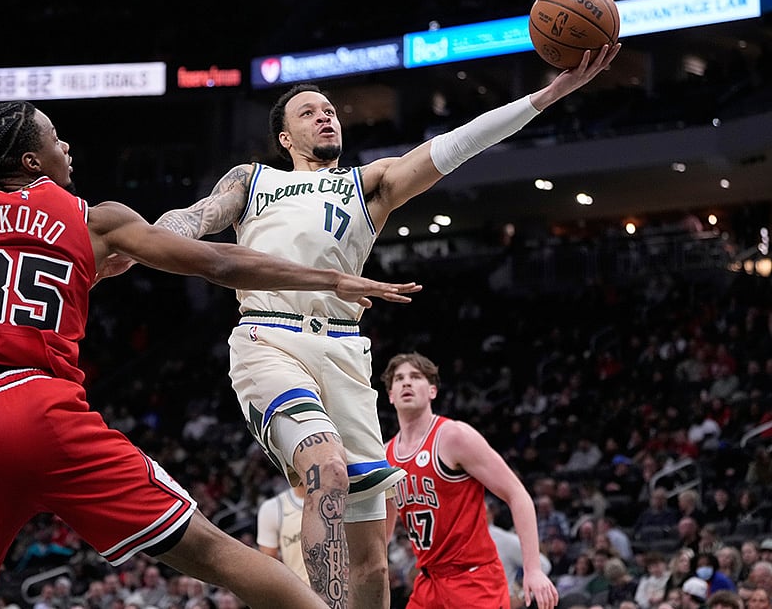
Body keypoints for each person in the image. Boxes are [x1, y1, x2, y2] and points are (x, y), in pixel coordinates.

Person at [0, 101, 421, 609]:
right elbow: (218, 259)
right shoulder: (93, 217)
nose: (68, 146)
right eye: (56, 139)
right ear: (31, 160)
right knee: (219, 554)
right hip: (46, 410)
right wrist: (329, 279)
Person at [154, 43, 620, 609]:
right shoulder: (253, 180)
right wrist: (143, 240)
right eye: (309, 111)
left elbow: (453, 147)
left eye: (330, 109)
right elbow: (193, 218)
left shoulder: (368, 184)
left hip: (347, 353)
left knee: (373, 560)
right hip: (269, 336)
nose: (326, 115)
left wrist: (545, 97)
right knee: (325, 468)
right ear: (284, 138)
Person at [381, 352, 559, 609]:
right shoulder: (386, 455)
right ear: (390, 395)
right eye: (399, 379)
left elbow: (517, 493)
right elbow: (383, 530)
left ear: (432, 391)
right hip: (428, 583)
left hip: (474, 579)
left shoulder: (454, 436)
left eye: (415, 377)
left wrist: (533, 569)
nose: (406, 383)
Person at [256, 483, 309, 584]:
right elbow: (270, 569)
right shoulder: (272, 509)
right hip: (304, 595)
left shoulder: (340, 493)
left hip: (345, 590)